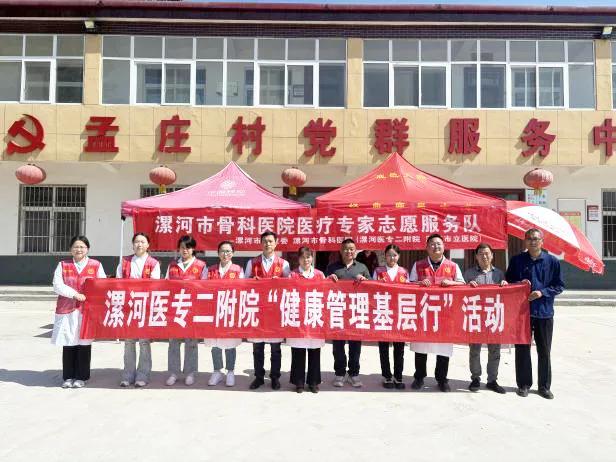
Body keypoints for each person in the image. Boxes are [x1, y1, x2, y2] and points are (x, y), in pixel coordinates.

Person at [506, 228, 564, 400]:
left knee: (544, 350)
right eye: (529, 238)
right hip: (522, 313)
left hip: (544, 312)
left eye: (536, 239)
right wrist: (519, 283)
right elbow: (508, 281)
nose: (533, 241)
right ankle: (524, 384)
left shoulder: (552, 261)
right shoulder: (517, 260)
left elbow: (559, 286)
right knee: (522, 349)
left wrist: (542, 292)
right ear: (525, 241)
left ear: (542, 242)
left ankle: (544, 386)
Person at [409, 233, 465, 392]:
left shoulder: (452, 266)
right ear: (427, 248)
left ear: (444, 247)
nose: (436, 247)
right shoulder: (418, 265)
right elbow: (408, 285)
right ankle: (419, 377)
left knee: (443, 348)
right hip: (424, 312)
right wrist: (420, 283)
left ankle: (442, 379)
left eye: (439, 244)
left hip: (445, 314)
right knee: (421, 347)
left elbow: (463, 284)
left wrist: (451, 283)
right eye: (432, 244)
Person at [52, 235, 106, 388]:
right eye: (76, 246)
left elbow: (102, 284)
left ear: (87, 249)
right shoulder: (63, 265)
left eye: (82, 247)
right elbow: (57, 285)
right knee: (68, 341)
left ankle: (82, 377)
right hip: (67, 308)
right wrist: (74, 294)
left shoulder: (95, 265)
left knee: (84, 342)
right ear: (70, 249)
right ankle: (68, 377)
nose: (79, 249)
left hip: (87, 310)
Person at [245, 231, 290, 390]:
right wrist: (252, 281)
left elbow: (290, 285)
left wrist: (281, 282)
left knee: (275, 348)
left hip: (275, 310)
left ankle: (275, 377)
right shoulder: (252, 262)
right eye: (265, 241)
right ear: (261, 243)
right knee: (257, 347)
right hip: (257, 309)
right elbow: (244, 284)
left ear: (276, 243)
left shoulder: (283, 263)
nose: (267, 244)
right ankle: (258, 377)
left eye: (270, 241)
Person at [116, 232, 161, 388]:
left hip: (145, 306)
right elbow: (118, 283)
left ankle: (143, 374)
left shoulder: (153, 263)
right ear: (133, 244)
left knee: (144, 341)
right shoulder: (124, 262)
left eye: (142, 242)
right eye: (136, 241)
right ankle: (128, 374)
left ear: (148, 245)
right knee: (129, 341)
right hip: (127, 306)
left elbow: (154, 285)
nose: (139, 244)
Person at [463, 243, 508, 394]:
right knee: (474, 350)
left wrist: (505, 285)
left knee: (494, 350)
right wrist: (467, 286)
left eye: (487, 253)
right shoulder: (469, 274)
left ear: (492, 255)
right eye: (481, 253)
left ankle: (492, 380)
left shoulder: (499, 274)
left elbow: (506, 295)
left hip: (493, 316)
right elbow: (460, 294)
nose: (484, 256)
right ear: (476, 256)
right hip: (475, 316)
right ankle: (475, 378)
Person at [326, 238, 371, 388]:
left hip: (356, 310)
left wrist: (364, 280)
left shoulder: (362, 267)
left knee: (355, 345)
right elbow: (323, 286)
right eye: (346, 248)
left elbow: (372, 286)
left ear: (355, 251)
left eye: (351, 249)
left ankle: (354, 374)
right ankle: (339, 373)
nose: (349, 251)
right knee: (338, 345)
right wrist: (328, 279)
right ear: (341, 250)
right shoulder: (332, 267)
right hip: (338, 309)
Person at [165, 235, 207, 387]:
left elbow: (205, 287)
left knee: (191, 342)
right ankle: (173, 372)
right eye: (182, 247)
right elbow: (165, 285)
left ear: (193, 249)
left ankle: (190, 372)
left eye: (188, 247)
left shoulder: (201, 265)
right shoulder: (172, 265)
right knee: (173, 342)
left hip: (192, 308)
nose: (185, 250)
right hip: (175, 309)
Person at [204, 240, 244, 388]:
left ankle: (230, 371)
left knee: (229, 343)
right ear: (218, 253)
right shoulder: (210, 270)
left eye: (228, 251)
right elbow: (203, 288)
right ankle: (217, 371)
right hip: (213, 310)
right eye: (222, 251)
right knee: (215, 343)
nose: (225, 254)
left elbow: (242, 290)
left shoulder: (238, 270)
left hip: (230, 311)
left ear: (233, 253)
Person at [287, 246, 325, 393]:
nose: (306, 260)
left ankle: (313, 382)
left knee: (314, 350)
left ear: (312, 258)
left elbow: (325, 292)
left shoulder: (319, 274)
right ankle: (299, 382)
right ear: (299, 259)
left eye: (308, 257)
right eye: (303, 257)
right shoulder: (293, 275)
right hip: (298, 316)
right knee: (298, 349)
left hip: (315, 315)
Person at [373, 244, 408, 390]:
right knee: (384, 347)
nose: (392, 258)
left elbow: (409, 292)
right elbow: (372, 289)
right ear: (385, 256)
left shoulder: (404, 272)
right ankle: (387, 376)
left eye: (394, 255)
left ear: (398, 256)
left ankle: (398, 377)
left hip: (399, 313)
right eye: (389, 255)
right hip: (383, 312)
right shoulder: (378, 271)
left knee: (399, 348)